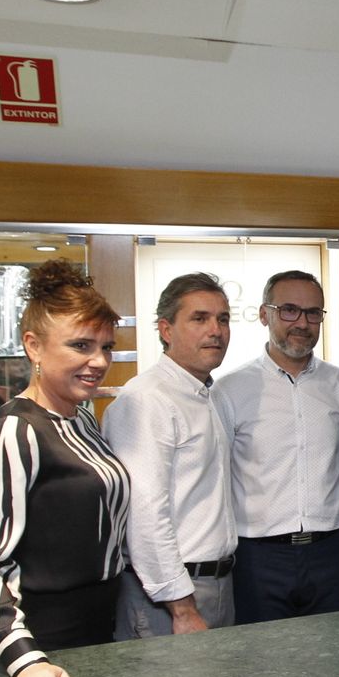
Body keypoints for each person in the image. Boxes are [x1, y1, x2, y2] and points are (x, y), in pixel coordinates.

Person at [0, 259, 128, 677]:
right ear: (33, 346)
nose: (98, 361)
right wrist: (25, 660)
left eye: (105, 347)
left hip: (102, 624)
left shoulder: (82, 419)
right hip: (46, 643)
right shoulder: (14, 431)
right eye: (80, 345)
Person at [218, 270, 339, 622]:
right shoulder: (229, 390)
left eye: (313, 312)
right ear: (264, 314)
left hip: (330, 553)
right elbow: (220, 475)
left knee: (330, 662)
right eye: (289, 310)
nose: (302, 322)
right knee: (264, 667)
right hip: (258, 558)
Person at [104, 272, 239, 639]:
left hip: (217, 584)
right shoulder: (147, 399)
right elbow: (145, 513)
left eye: (223, 319)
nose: (216, 330)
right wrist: (182, 606)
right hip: (171, 597)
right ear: (165, 329)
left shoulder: (208, 394)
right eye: (200, 318)